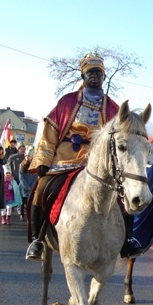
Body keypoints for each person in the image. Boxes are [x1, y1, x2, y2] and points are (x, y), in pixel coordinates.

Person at [26, 53, 120, 260]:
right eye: (90, 72)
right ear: (83, 75)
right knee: (41, 189)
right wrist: (43, 159)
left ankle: (127, 240)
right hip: (65, 157)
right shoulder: (67, 102)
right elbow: (50, 132)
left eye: (98, 73)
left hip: (97, 161)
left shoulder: (114, 108)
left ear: (104, 77)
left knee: (122, 196)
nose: (94, 76)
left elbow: (119, 140)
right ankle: (37, 239)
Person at [18, 147, 37, 222]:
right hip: (23, 187)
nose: (27, 157)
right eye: (26, 156)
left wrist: (32, 186)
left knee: (30, 203)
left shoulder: (35, 165)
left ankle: (29, 216)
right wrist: (26, 186)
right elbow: (21, 177)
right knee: (22, 202)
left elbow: (36, 176)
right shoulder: (21, 165)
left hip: (32, 187)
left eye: (29, 156)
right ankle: (22, 214)